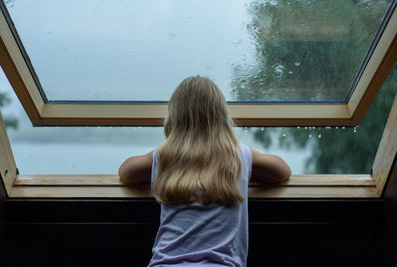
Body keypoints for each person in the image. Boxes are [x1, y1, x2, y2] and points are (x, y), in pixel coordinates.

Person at [118, 76, 291, 267]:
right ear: (221, 116)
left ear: (175, 118)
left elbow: (126, 172)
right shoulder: (238, 154)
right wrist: (244, 174)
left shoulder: (165, 155)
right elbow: (282, 171)